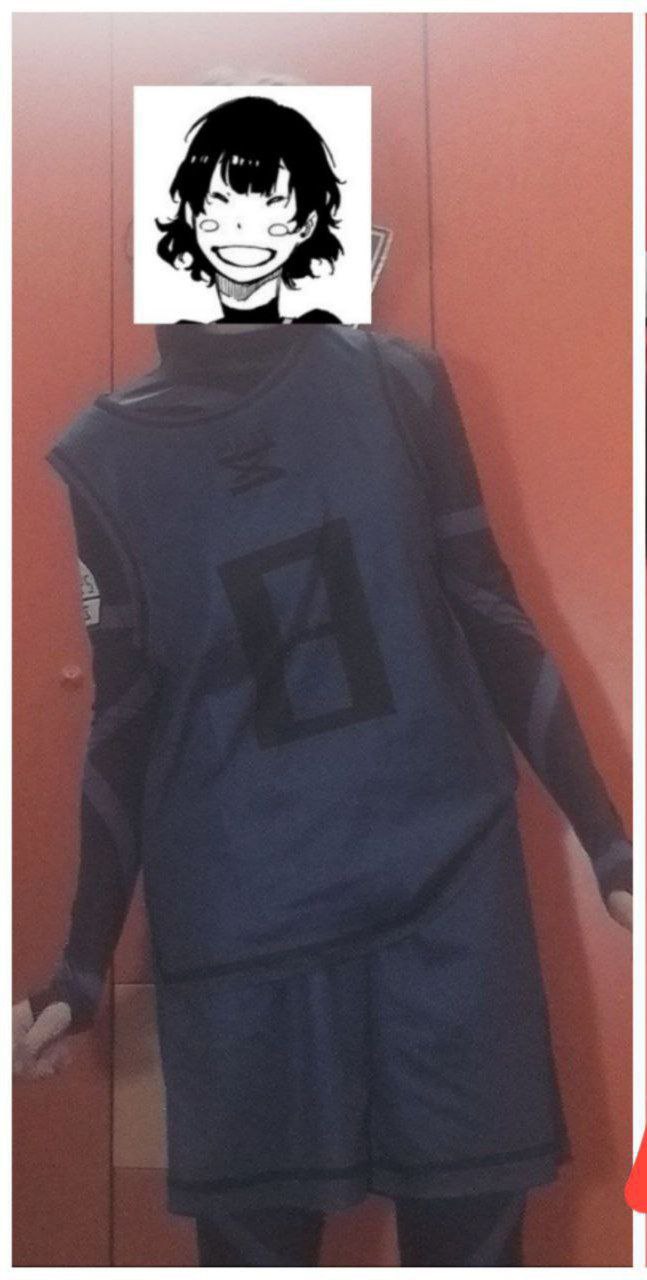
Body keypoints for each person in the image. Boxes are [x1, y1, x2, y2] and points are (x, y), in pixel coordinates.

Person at [13, 314, 631, 1267]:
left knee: (471, 1242)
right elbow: (126, 713)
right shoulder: (103, 458)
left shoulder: (396, 382)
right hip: (240, 932)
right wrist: (81, 967)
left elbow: (486, 605)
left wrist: (607, 841)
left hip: (446, 906)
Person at [155, 95, 344, 323]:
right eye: (220, 200)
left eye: (273, 203)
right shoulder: (186, 336)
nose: (242, 225)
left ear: (307, 225)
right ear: (190, 214)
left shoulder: (318, 330)